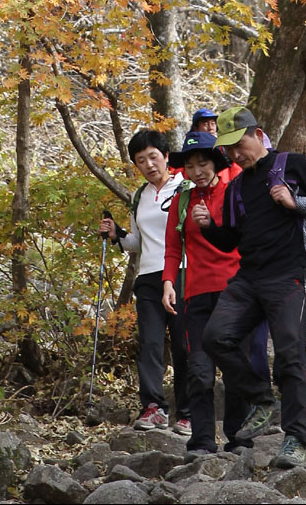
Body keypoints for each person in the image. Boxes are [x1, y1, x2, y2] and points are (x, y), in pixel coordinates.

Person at [191, 106, 306, 469]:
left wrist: (298, 202)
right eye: (227, 150)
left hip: (288, 276)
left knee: (290, 356)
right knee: (215, 338)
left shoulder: (292, 165)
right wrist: (209, 226)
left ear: (258, 135)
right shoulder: (236, 188)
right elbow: (230, 241)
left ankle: (296, 438)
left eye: (238, 145)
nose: (234, 155)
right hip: (247, 278)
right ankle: (261, 398)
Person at [162, 131, 254, 461]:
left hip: (235, 292)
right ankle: (201, 438)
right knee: (198, 368)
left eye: (203, 163)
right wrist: (169, 283)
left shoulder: (234, 193)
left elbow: (245, 238)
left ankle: (238, 436)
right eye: (190, 165)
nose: (197, 171)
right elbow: (173, 248)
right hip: (196, 294)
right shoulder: (181, 200)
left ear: (215, 163)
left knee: (234, 367)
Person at [99, 130, 190, 433]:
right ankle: (154, 407)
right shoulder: (140, 195)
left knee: (183, 345)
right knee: (150, 344)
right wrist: (117, 236)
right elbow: (139, 242)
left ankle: (188, 411)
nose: (149, 164)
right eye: (141, 160)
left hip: (183, 273)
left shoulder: (185, 188)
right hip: (149, 277)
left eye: (153, 156)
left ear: (166, 156)